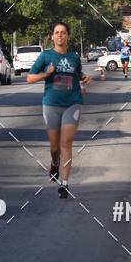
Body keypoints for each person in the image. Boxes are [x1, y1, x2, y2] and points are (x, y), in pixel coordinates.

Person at [27, 22, 91, 198]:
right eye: (57, 33)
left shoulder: (74, 57)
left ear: (68, 36)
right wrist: (46, 74)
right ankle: (55, 163)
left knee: (66, 143)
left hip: (73, 103)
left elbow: (78, 74)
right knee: (55, 147)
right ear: (53, 37)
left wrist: (85, 78)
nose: (60, 35)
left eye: (63, 32)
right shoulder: (46, 56)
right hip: (51, 105)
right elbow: (30, 78)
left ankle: (65, 183)